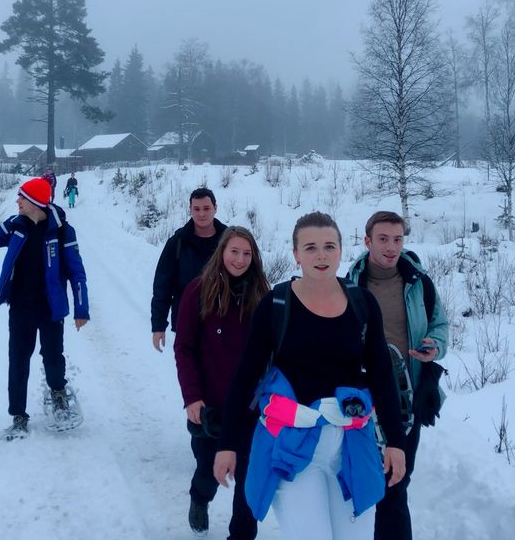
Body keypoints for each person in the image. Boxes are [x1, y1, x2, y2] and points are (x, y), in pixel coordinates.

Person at [213, 212, 406, 540]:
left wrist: (396, 442)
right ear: (296, 254)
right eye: (311, 247)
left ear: (341, 251)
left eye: (329, 246)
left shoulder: (362, 303)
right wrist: (228, 444)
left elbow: (381, 375)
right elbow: (245, 377)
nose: (321, 255)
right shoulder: (276, 304)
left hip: (351, 443)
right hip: (295, 446)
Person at [344, 210, 448, 540]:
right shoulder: (350, 285)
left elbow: (440, 326)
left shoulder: (419, 284)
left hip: (408, 398)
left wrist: (435, 345)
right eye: (384, 239)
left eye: (398, 239)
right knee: (361, 481)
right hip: (363, 400)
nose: (392, 247)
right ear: (368, 241)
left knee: (396, 482)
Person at [0, 177, 89, 440]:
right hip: (20, 307)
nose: (17, 201)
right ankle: (18, 416)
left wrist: (81, 308)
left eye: (21, 198)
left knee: (53, 356)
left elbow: (77, 272)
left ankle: (58, 392)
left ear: (35, 202)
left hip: (51, 307)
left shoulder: (63, 231)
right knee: (18, 360)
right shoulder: (15, 225)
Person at [174, 226, 270, 538]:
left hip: (251, 408)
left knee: (248, 478)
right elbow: (184, 347)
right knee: (208, 470)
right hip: (209, 408)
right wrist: (192, 397)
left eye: (247, 253)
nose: (240, 260)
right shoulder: (198, 290)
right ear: (222, 252)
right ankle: (199, 497)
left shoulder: (263, 297)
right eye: (234, 252)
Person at [151, 188, 227, 352]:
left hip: (224, 322)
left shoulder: (229, 241)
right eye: (196, 209)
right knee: (190, 374)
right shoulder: (177, 243)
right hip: (187, 322)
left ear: (215, 208)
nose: (201, 214)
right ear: (190, 209)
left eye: (206, 208)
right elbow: (162, 287)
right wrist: (158, 326)